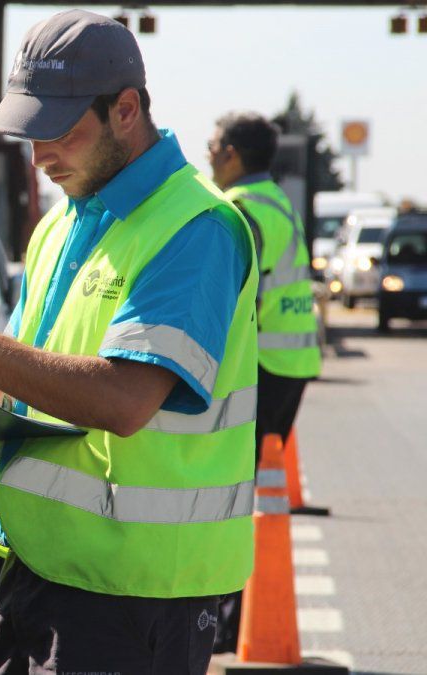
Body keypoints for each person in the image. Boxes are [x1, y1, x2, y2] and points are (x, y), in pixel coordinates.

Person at [0, 10, 258, 673]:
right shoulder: (61, 225)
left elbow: (124, 399)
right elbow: (24, 373)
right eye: (29, 136)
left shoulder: (197, 226)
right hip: (38, 567)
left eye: (59, 132)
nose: (40, 157)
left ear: (126, 110)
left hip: (137, 594)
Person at [207, 111, 321, 652]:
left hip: (263, 368)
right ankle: (233, 620)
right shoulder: (275, 200)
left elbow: (235, 298)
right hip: (292, 362)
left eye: (213, 144)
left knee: (226, 495)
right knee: (249, 493)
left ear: (231, 153)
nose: (207, 153)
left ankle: (225, 624)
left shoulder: (241, 210)